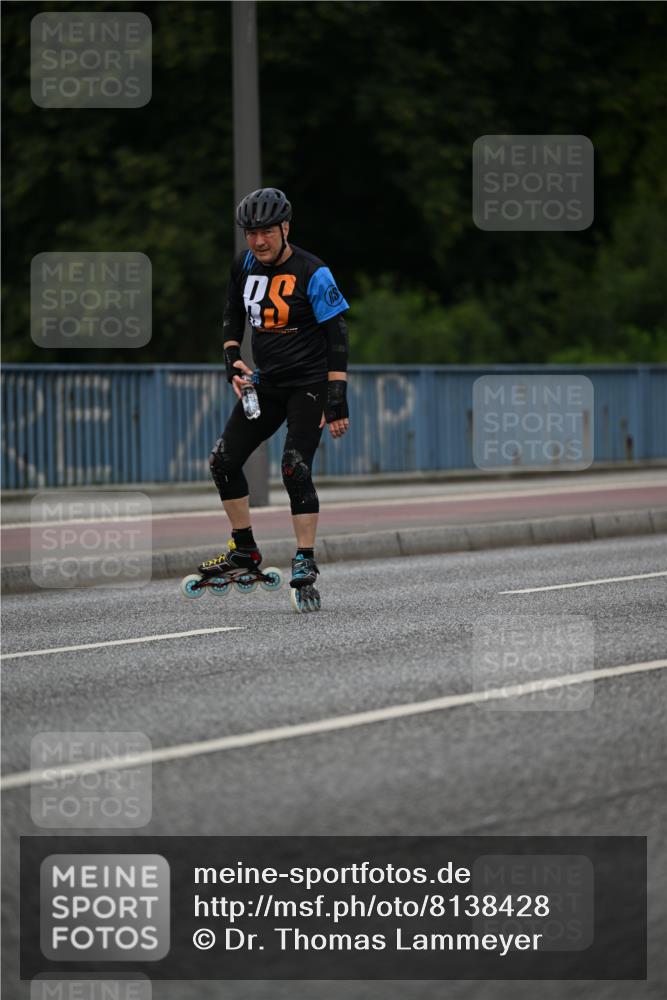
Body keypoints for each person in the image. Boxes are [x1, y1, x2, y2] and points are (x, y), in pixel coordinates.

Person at [201, 187, 350, 610]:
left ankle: (305, 559)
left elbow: (337, 335)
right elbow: (233, 310)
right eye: (250, 232)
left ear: (285, 228)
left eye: (266, 231)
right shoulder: (243, 264)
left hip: (309, 385)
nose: (258, 241)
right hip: (266, 384)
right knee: (223, 460)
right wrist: (231, 356)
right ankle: (244, 550)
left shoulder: (313, 271)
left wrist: (336, 396)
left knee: (293, 467)